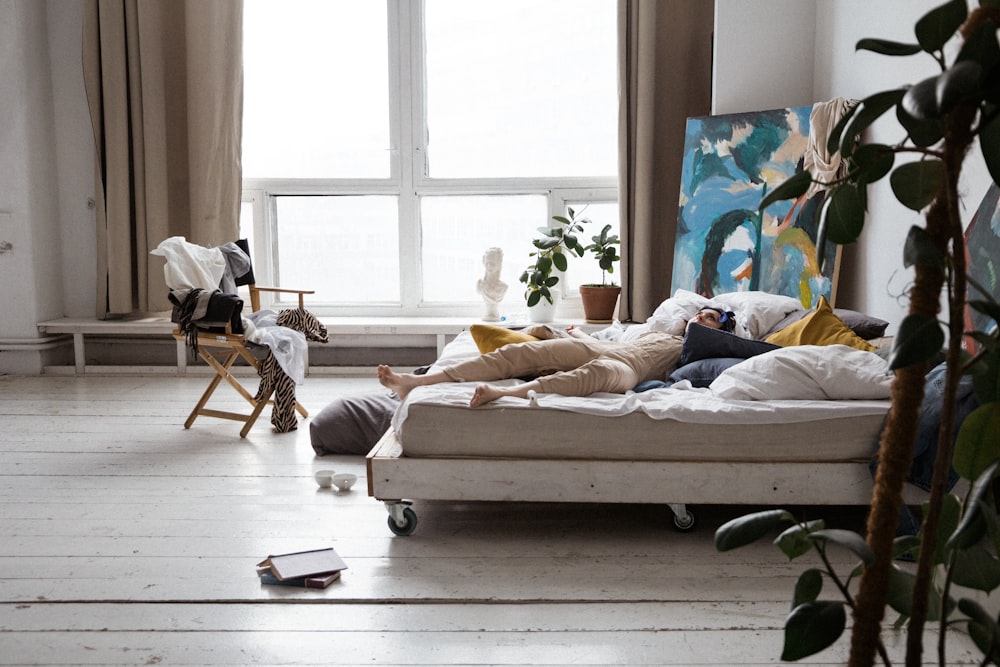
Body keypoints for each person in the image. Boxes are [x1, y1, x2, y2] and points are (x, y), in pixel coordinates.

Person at [377, 306, 733, 408]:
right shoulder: (656, 329)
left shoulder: (695, 351)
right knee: (524, 351)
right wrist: (574, 334)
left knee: (590, 377)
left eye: (710, 318)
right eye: (700, 313)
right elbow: (614, 335)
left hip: (629, 368)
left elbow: (697, 375)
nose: (700, 318)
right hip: (611, 347)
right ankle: (419, 381)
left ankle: (505, 394)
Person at [476, 247, 508, 321]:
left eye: (493, 263)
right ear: (484, 262)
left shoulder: (503, 287)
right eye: (487, 263)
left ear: (498, 264)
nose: (489, 266)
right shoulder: (480, 284)